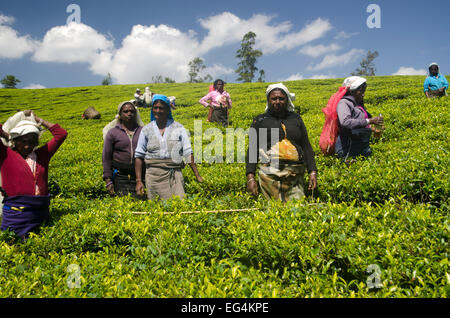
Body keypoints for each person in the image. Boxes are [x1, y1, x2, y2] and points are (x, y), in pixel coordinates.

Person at [0, 111, 67, 238]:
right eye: (23, 141)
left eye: (32, 142)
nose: (27, 146)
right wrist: (5, 134)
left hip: (40, 211)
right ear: (15, 140)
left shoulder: (42, 155)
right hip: (16, 214)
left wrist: (38, 120)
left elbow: (61, 134)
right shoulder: (6, 154)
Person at [246, 83, 317, 202]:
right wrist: (250, 177)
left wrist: (312, 171)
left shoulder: (296, 119)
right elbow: (252, 150)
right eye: (274, 98)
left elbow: (306, 146)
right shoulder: (260, 120)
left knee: (296, 209)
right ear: (268, 100)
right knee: (273, 211)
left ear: (287, 100)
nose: (277, 101)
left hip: (295, 174)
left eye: (281, 98)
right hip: (269, 175)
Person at [134, 94, 204, 200]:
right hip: (153, 176)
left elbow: (188, 152)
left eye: (161, 108)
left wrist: (197, 175)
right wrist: (139, 180)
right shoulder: (146, 130)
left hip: (174, 175)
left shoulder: (179, 128)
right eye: (155, 108)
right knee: (156, 208)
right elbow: (139, 156)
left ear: (167, 109)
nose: (158, 111)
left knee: (179, 204)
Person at [334, 76, 384, 161]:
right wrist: (370, 121)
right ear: (352, 91)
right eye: (361, 91)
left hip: (362, 147)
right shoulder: (344, 103)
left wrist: (373, 129)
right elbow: (345, 122)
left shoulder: (359, 105)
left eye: (364, 91)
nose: (363, 94)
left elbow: (361, 124)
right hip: (348, 149)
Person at [102, 101, 145, 198]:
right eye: (125, 111)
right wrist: (108, 180)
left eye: (132, 111)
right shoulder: (113, 133)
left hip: (140, 176)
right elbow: (106, 157)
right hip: (120, 177)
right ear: (120, 115)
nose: (129, 114)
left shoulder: (143, 131)